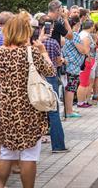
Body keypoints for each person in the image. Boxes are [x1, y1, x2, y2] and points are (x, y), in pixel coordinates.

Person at [0, 12, 56, 187]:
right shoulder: (32, 53)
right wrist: (43, 52)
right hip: (29, 108)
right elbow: (51, 71)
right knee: (29, 155)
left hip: (6, 109)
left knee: (6, 154)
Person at [40, 16, 68, 153]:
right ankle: (58, 145)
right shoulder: (52, 43)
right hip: (50, 77)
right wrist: (61, 61)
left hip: (36, 79)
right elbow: (56, 62)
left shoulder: (30, 43)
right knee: (53, 110)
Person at [61, 16, 88, 118]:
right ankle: (69, 111)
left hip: (67, 64)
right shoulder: (75, 36)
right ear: (76, 25)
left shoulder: (64, 36)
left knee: (67, 88)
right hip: (73, 66)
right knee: (71, 89)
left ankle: (68, 109)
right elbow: (82, 50)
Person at [77, 20, 97, 107]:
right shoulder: (85, 36)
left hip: (87, 60)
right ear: (91, 26)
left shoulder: (84, 34)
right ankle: (81, 102)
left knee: (86, 82)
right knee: (84, 82)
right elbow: (86, 49)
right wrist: (88, 58)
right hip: (86, 61)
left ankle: (84, 100)